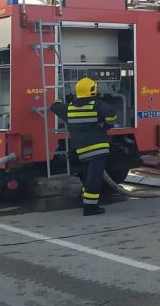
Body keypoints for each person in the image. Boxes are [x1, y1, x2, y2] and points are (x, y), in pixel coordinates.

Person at [50, 77, 116, 216]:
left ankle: (88, 203)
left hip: (82, 151)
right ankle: (90, 208)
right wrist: (107, 125)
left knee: (88, 177)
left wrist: (58, 99)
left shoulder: (70, 109)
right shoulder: (96, 105)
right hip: (99, 148)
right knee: (94, 178)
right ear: (93, 90)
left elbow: (54, 107)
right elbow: (111, 112)